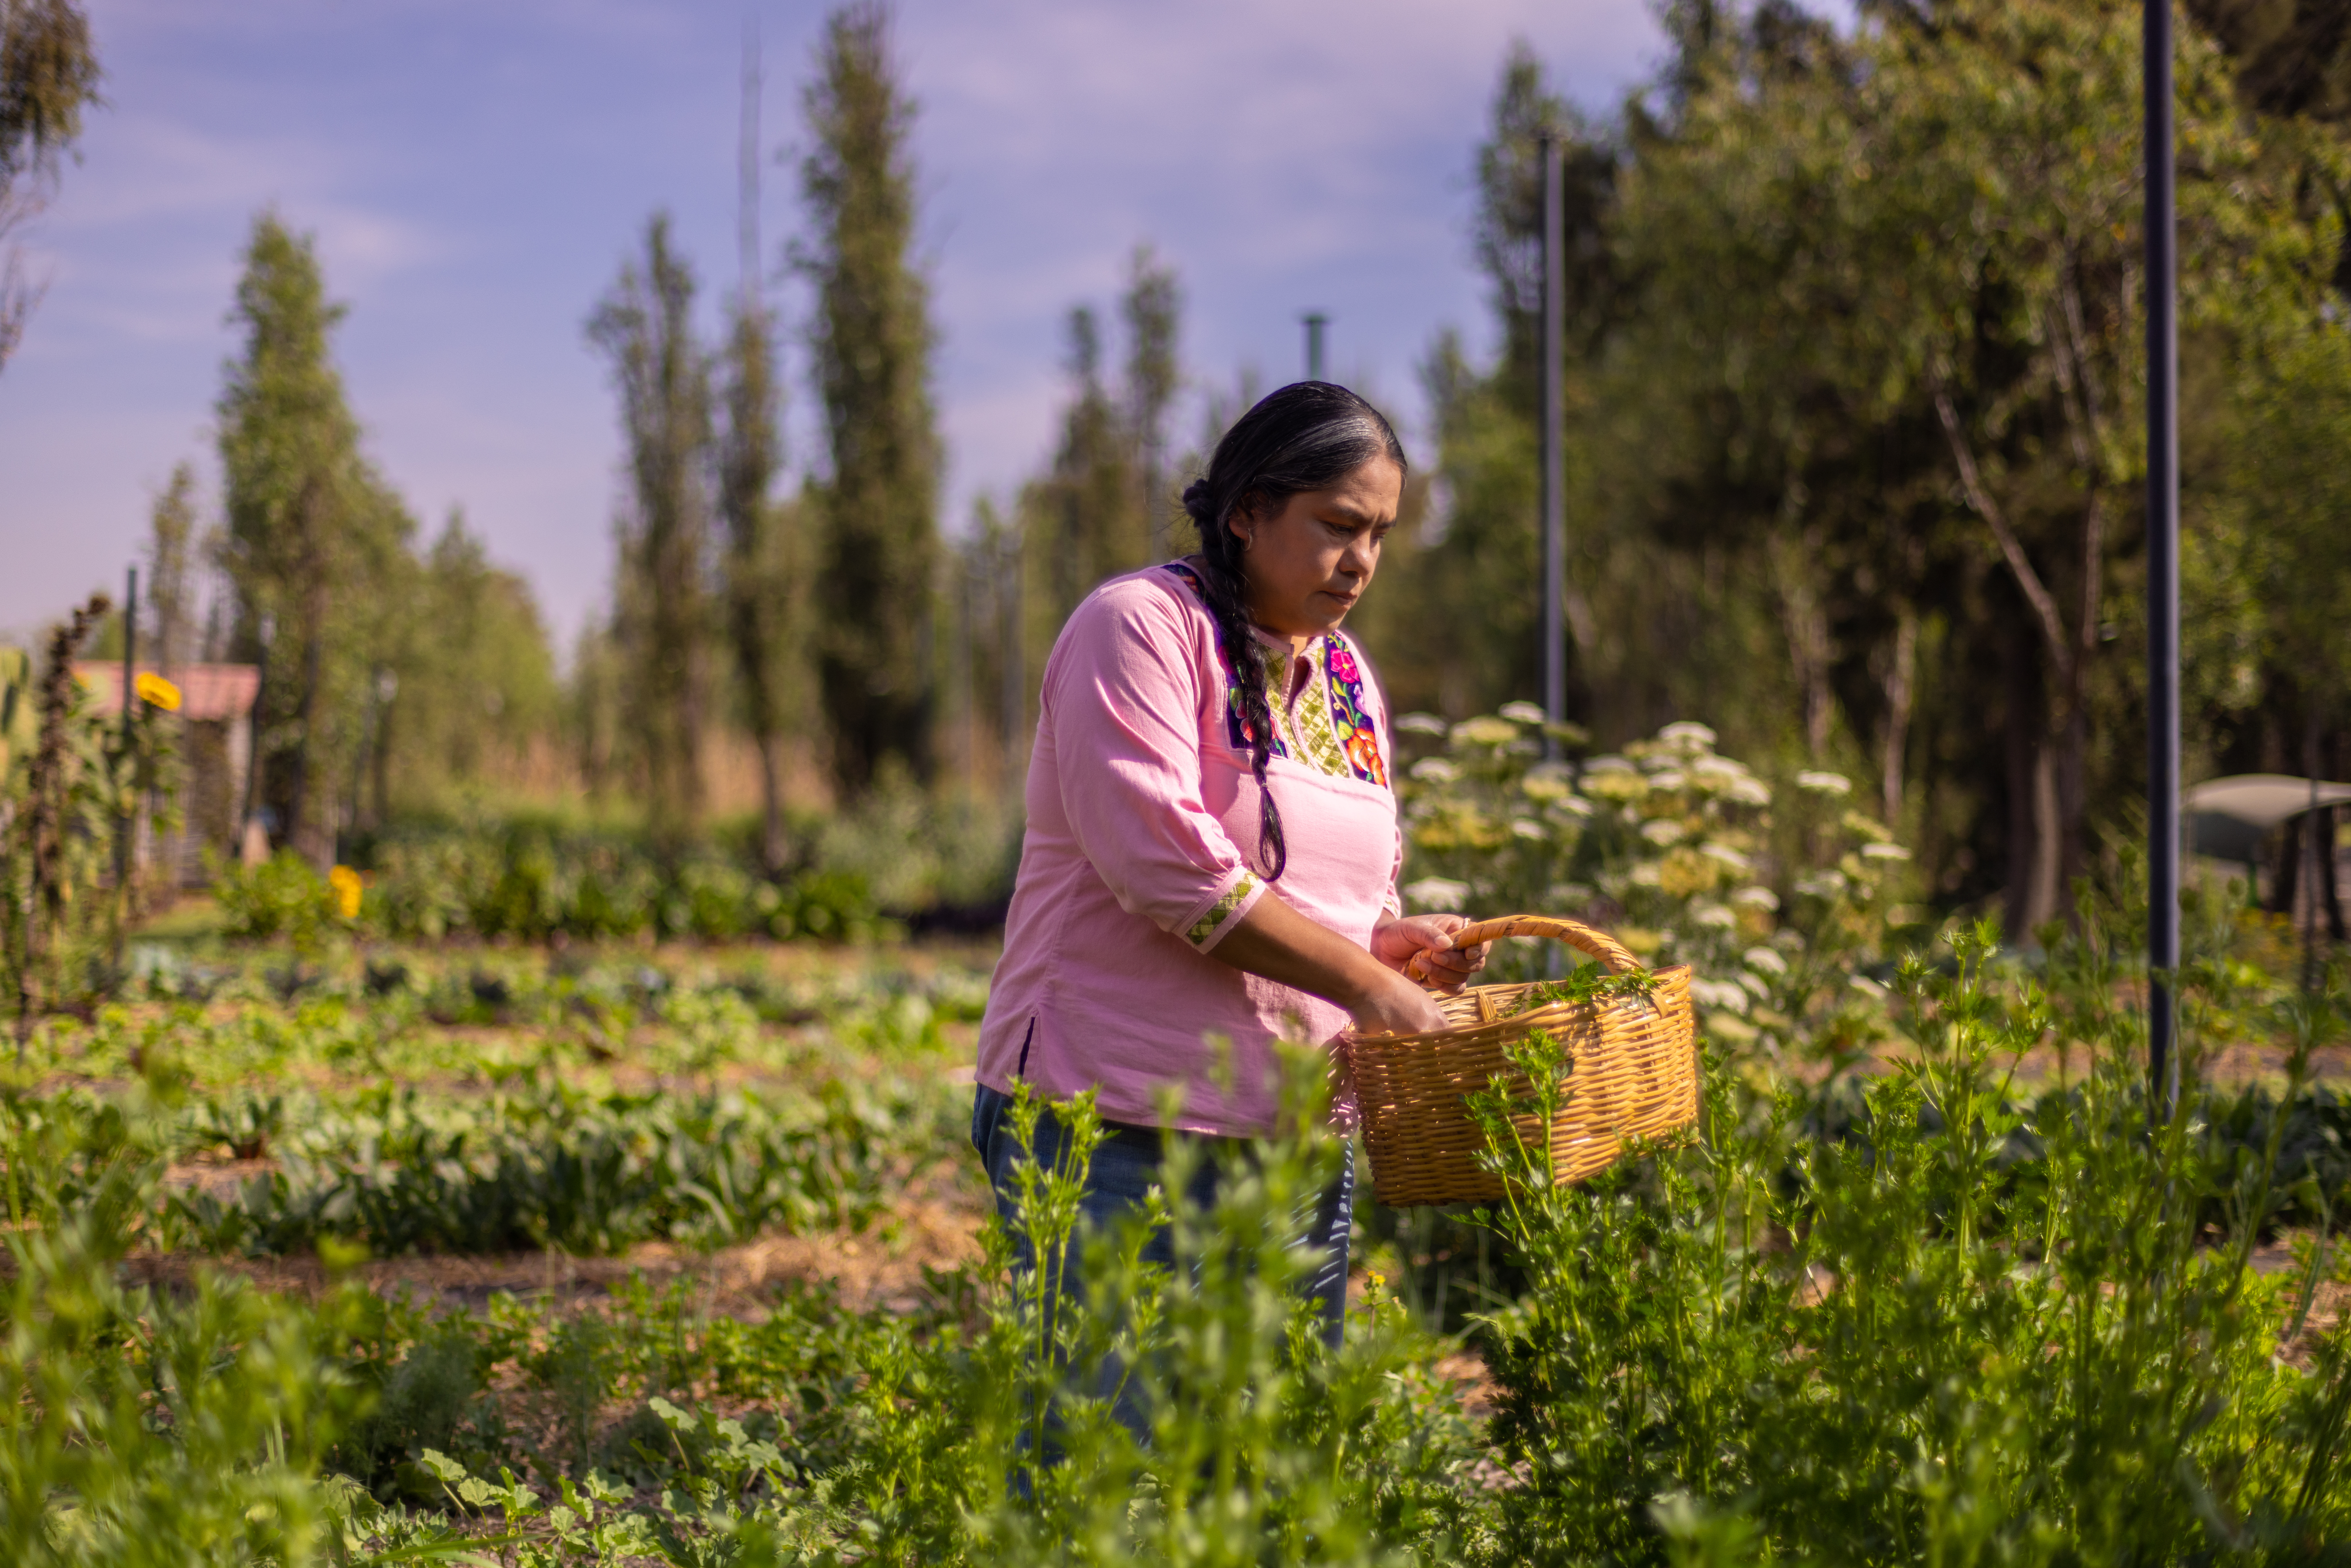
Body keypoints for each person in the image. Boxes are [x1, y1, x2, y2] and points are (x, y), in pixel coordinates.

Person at [970, 381, 1487, 1351]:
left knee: (1266, 1476)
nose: (1363, 561)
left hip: (1291, 1132)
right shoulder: (1141, 629)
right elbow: (1169, 868)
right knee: (1105, 1471)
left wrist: (1390, 943)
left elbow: (1340, 899)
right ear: (1248, 512)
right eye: (1339, 525)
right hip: (1113, 1123)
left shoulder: (1346, 680)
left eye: (1380, 533)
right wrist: (1368, 982)